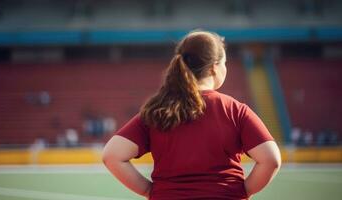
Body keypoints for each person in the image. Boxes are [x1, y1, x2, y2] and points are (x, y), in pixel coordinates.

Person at [102, 30, 281, 200]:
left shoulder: (158, 109)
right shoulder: (235, 109)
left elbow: (112, 155)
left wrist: (150, 191)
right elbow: (271, 159)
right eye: (224, 63)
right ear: (213, 68)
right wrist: (242, 192)